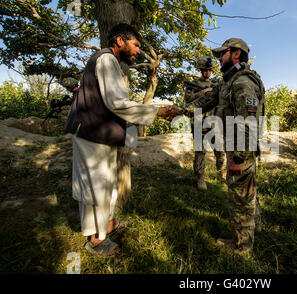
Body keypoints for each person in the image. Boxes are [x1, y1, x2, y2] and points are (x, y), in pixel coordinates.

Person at [65, 23, 178, 257]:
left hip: (99, 134)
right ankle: (96, 240)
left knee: (106, 184)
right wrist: (157, 111)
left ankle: (107, 225)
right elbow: (116, 104)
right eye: (135, 45)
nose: (138, 51)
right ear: (119, 41)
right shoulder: (106, 60)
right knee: (97, 186)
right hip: (92, 135)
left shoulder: (110, 62)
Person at [182, 38, 264, 254]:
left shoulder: (242, 82)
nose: (218, 58)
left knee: (239, 198)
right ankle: (256, 227)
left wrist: (238, 158)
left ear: (236, 54)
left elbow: (249, 123)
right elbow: (204, 103)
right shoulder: (229, 81)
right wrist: (179, 110)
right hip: (237, 148)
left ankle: (242, 246)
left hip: (240, 151)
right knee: (247, 193)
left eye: (222, 53)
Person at [184, 56, 226, 191]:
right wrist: (201, 93)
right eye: (204, 70)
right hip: (199, 123)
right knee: (200, 152)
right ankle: (200, 177)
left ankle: (222, 174)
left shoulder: (216, 85)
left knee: (220, 151)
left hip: (215, 123)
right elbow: (187, 101)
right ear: (200, 70)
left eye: (209, 70)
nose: (207, 73)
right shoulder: (193, 85)